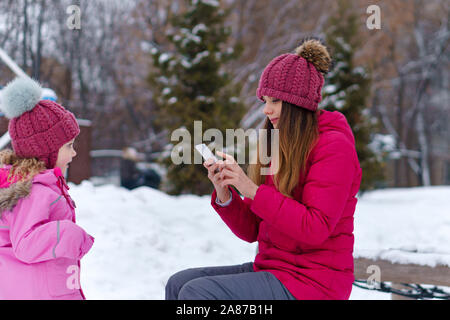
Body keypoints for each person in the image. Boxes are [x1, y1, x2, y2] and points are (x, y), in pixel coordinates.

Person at [165, 38, 362, 300]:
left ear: (297, 103)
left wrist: (251, 189)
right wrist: (225, 193)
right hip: (275, 270)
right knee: (179, 284)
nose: (267, 110)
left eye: (276, 101)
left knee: (198, 293)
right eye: (265, 100)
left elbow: (315, 228)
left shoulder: (334, 147)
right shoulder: (276, 143)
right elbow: (252, 231)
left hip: (315, 284)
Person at [0, 77, 94, 300]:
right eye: (69, 146)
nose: (74, 153)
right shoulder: (35, 192)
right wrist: (70, 233)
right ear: (46, 150)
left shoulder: (43, 187)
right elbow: (26, 244)